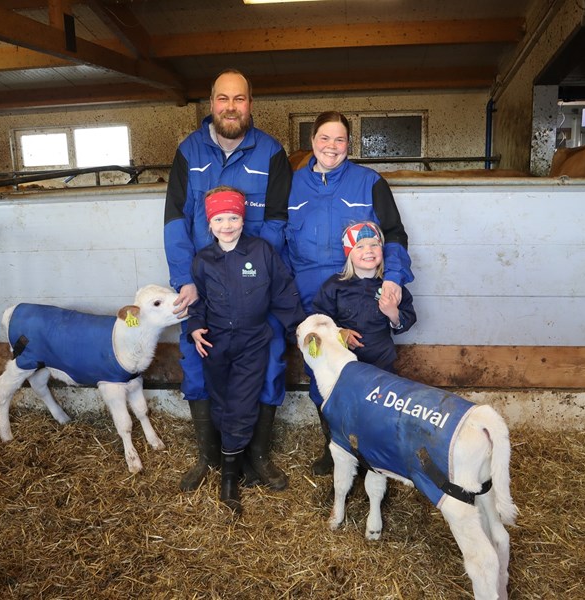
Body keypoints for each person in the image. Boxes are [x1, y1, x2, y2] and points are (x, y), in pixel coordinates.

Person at [164, 69, 293, 492]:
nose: (231, 107)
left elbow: (275, 223)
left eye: (239, 99)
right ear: (212, 103)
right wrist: (185, 279)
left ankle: (256, 456)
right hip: (203, 285)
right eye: (223, 99)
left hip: (255, 290)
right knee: (197, 362)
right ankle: (208, 456)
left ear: (250, 103)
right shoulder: (189, 151)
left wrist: (252, 273)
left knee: (271, 364)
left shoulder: (271, 153)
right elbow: (174, 222)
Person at [285, 111, 414, 475]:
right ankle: (336, 446)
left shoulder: (369, 182)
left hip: (359, 293)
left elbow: (395, 234)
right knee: (321, 374)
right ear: (312, 142)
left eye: (339, 140)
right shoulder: (290, 186)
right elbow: (278, 239)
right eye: (324, 138)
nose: (332, 146)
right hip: (313, 299)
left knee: (369, 372)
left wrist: (394, 277)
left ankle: (372, 450)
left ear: (349, 144)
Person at [188, 187, 305, 514]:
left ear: (243, 219)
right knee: (222, 404)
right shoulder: (203, 260)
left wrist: (300, 328)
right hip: (214, 344)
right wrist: (194, 327)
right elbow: (198, 301)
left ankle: (228, 484)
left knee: (241, 403)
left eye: (234, 217)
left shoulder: (261, 251)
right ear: (210, 223)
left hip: (252, 341)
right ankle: (237, 465)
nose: (228, 224)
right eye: (220, 218)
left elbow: (283, 292)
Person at [313, 221, 416, 373]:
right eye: (360, 246)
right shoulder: (334, 286)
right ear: (349, 253)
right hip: (343, 362)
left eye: (374, 245)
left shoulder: (391, 287)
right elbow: (318, 319)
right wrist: (340, 333)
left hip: (382, 362)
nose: (368, 250)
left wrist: (393, 313)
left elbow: (408, 319)